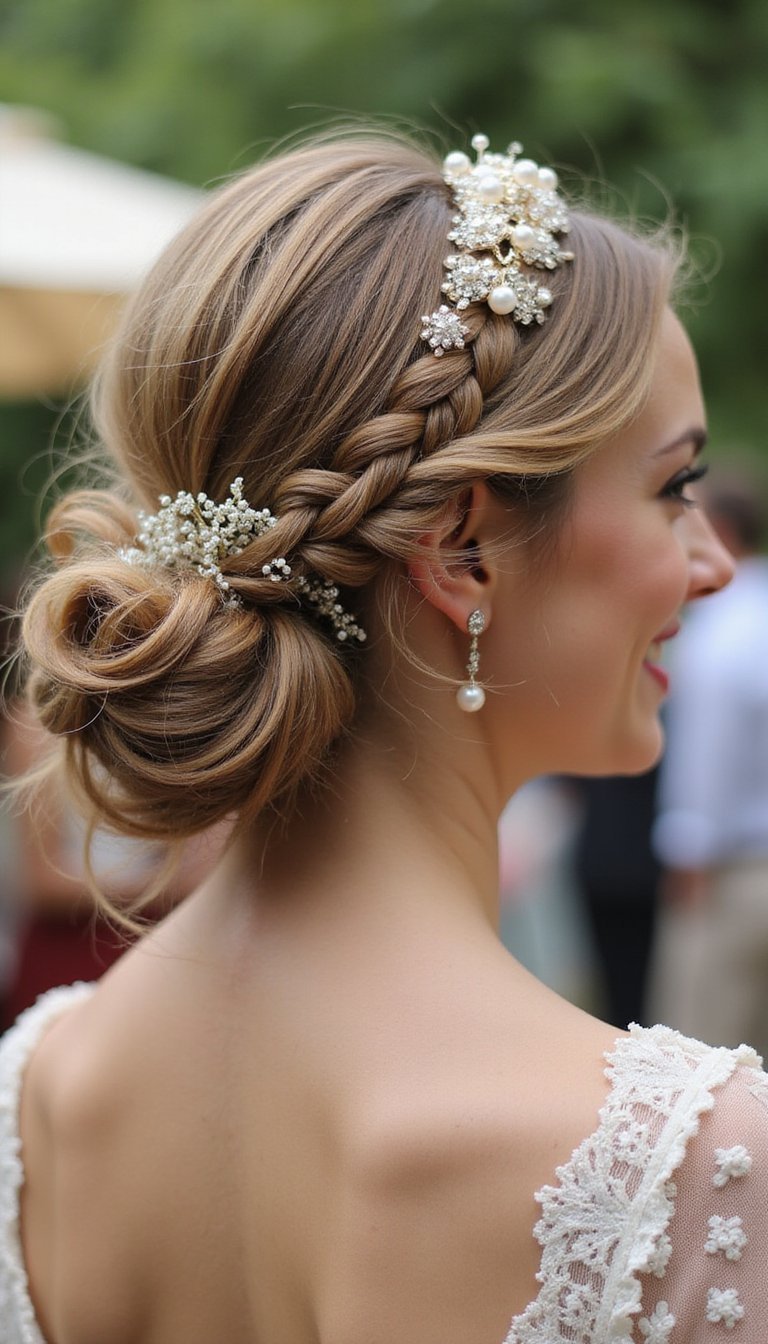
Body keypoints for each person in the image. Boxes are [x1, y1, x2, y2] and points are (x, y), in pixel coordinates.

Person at [0, 129, 764, 1344]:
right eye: (674, 490)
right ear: (462, 550)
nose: (714, 565)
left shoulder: (42, 1092)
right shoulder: (687, 1170)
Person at [650, 475, 768, 1056]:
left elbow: (707, 750)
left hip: (736, 871)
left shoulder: (721, 633)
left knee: (701, 1048)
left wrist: (688, 849)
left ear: (717, 530)